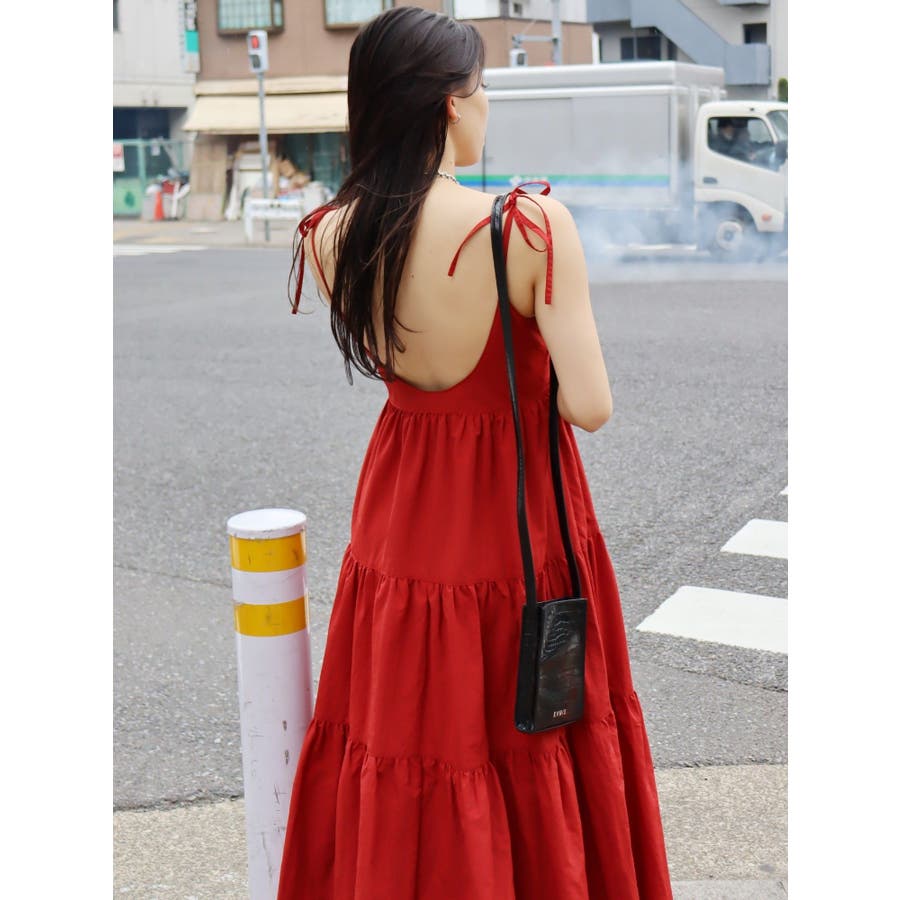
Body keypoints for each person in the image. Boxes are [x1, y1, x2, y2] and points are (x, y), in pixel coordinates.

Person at [277, 7, 673, 898]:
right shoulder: (525, 227)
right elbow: (591, 406)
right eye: (482, 87)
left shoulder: (330, 233)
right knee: (531, 724)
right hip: (513, 519)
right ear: (452, 105)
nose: (486, 103)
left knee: (414, 734)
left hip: (402, 517)